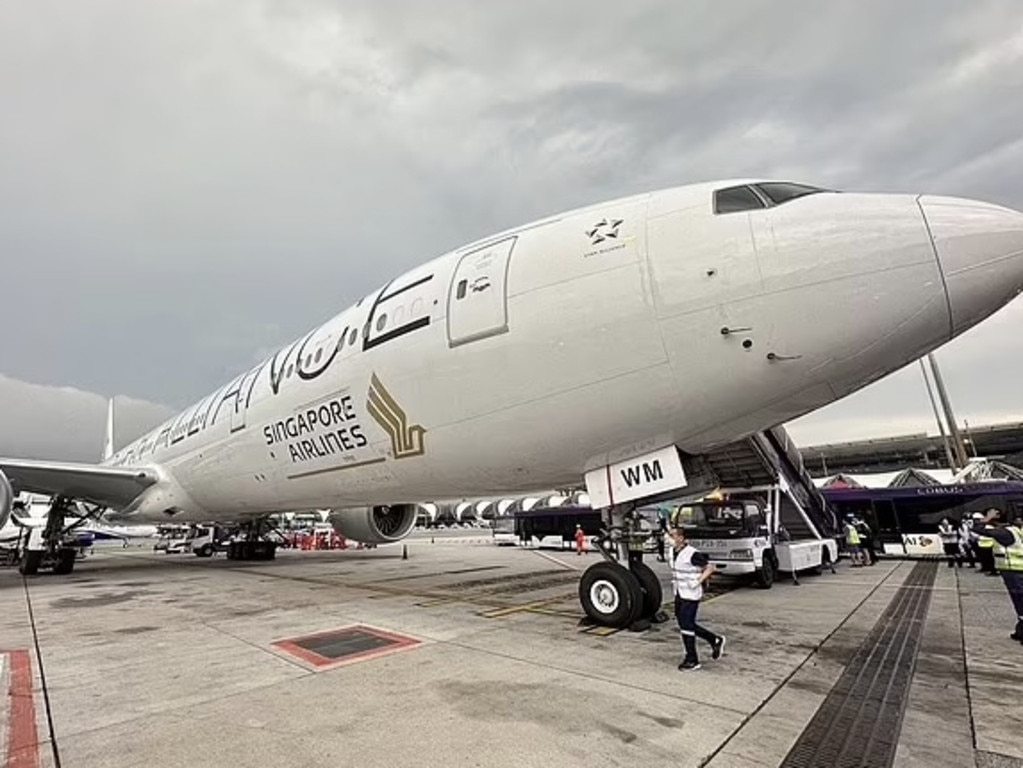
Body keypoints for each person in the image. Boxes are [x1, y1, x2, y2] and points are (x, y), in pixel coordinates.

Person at [668, 526, 725, 670]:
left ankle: (692, 659)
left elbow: (710, 567)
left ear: (681, 538)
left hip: (690, 594)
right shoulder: (672, 552)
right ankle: (714, 639)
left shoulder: (692, 553)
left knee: (687, 625)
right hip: (679, 592)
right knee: (684, 623)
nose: (670, 538)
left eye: (673, 535)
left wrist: (698, 581)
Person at [974, 509, 1023, 645]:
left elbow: (977, 529)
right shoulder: (1017, 531)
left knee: (1020, 601)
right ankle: (1020, 630)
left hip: (1014, 570)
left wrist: (986, 519)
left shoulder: (1007, 533)